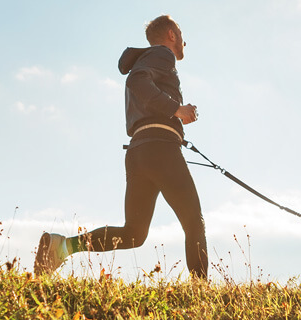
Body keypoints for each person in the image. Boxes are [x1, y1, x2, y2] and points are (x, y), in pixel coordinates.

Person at [34, 15, 208, 279]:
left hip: (139, 151)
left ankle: (63, 246)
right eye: (181, 34)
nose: (185, 41)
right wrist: (176, 109)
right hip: (160, 149)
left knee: (134, 233)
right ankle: (200, 293)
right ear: (171, 34)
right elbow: (137, 81)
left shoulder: (148, 59)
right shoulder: (162, 55)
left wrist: (176, 115)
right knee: (194, 221)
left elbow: (140, 85)